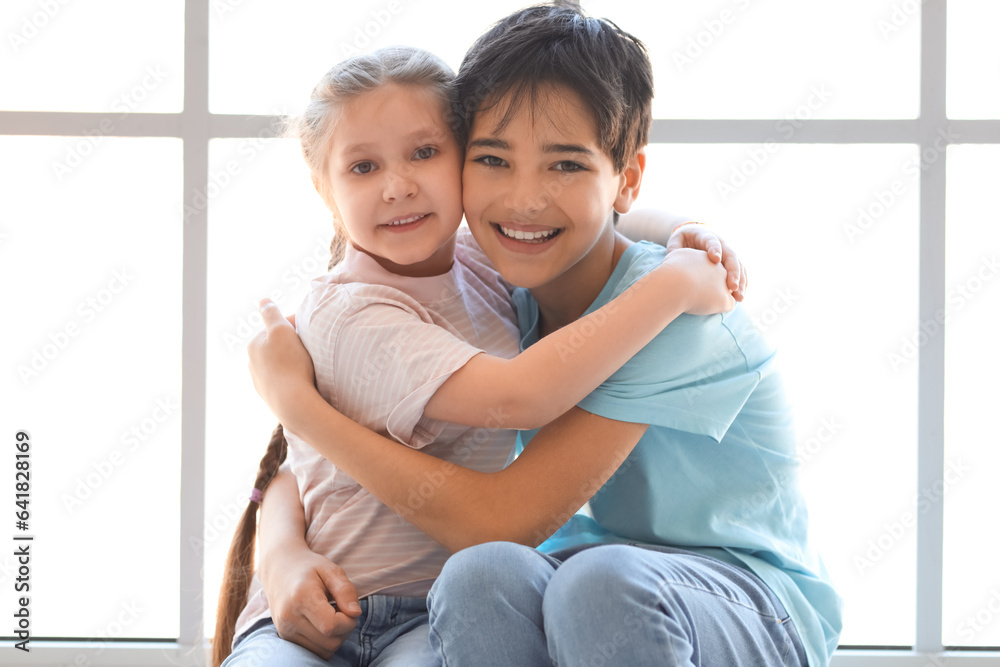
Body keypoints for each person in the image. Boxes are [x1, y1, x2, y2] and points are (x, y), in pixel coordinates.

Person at [247, 4, 843, 666]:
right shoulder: (502, 283)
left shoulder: (671, 312)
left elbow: (497, 517)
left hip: (749, 598)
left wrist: (297, 403)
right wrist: (281, 550)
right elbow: (311, 467)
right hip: (594, 580)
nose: (524, 200)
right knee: (481, 574)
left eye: (564, 166)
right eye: (493, 159)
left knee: (592, 579)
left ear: (626, 178)